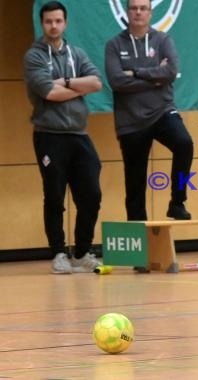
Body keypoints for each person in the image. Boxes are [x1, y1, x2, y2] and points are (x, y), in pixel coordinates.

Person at [24, 1, 103, 274]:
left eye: (58, 21)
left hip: (79, 135)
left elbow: (96, 82)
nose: (54, 26)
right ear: (42, 23)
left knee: (91, 194)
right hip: (49, 136)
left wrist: (65, 82)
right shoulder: (34, 56)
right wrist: (74, 86)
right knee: (55, 196)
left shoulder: (77, 53)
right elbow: (48, 93)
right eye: (48, 21)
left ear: (65, 23)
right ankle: (59, 253)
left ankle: (82, 252)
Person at [105, 0, 193, 221]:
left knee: (184, 144)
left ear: (150, 13)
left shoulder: (163, 40)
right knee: (135, 183)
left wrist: (134, 73)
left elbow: (171, 71)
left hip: (162, 111)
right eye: (134, 8)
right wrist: (155, 78)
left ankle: (177, 202)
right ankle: (139, 241)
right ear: (127, 12)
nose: (138, 12)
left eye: (143, 8)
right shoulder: (114, 45)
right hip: (130, 121)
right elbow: (116, 81)